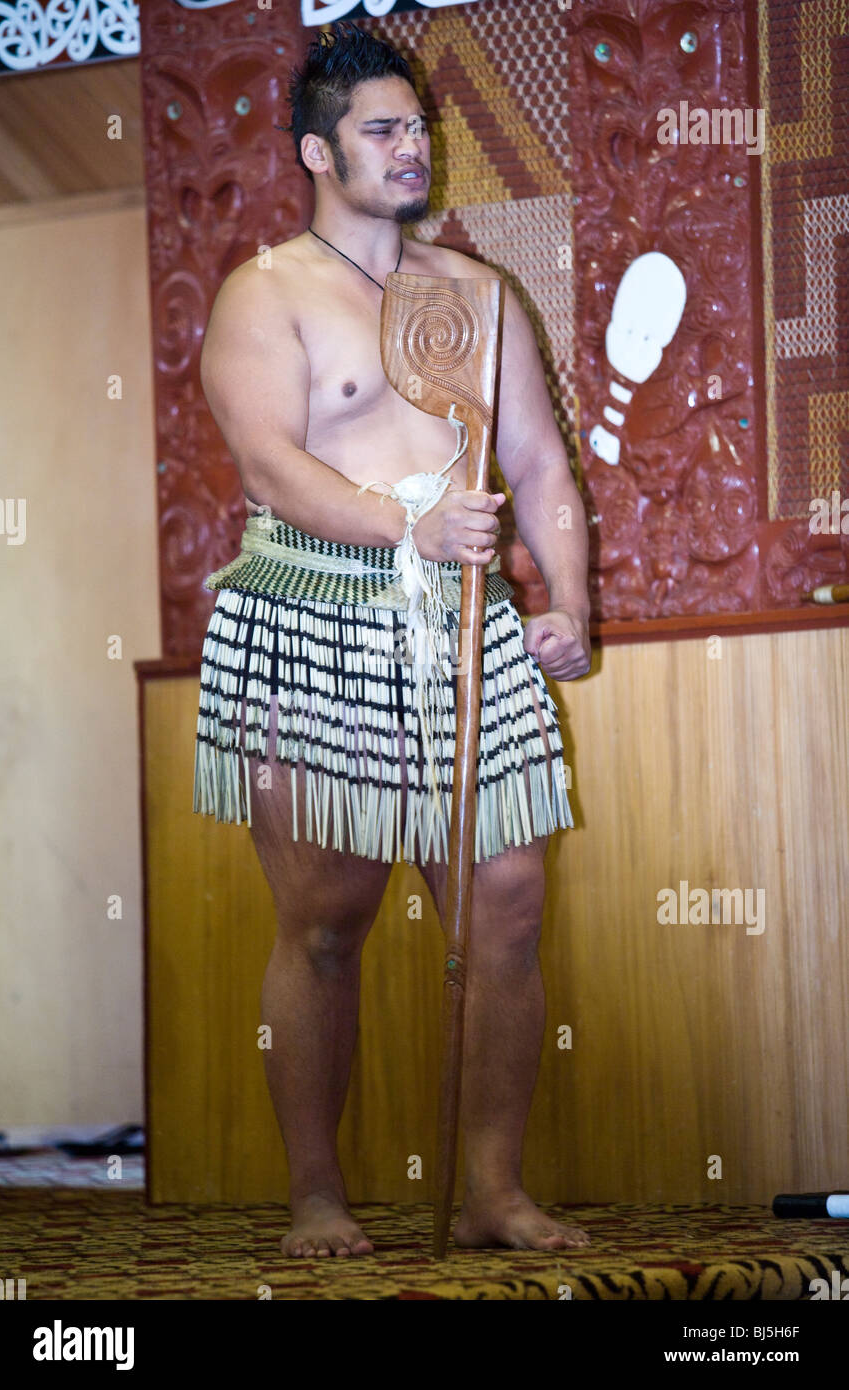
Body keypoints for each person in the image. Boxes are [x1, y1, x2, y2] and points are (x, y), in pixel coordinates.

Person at [193, 20, 592, 1258]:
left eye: (416, 127)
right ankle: (317, 1194)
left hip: (467, 619)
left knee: (508, 900)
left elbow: (534, 458)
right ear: (319, 148)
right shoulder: (264, 291)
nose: (409, 147)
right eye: (380, 129)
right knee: (324, 917)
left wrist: (567, 597)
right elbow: (267, 461)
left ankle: (489, 1190)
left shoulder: (474, 292)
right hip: (311, 612)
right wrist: (399, 528)